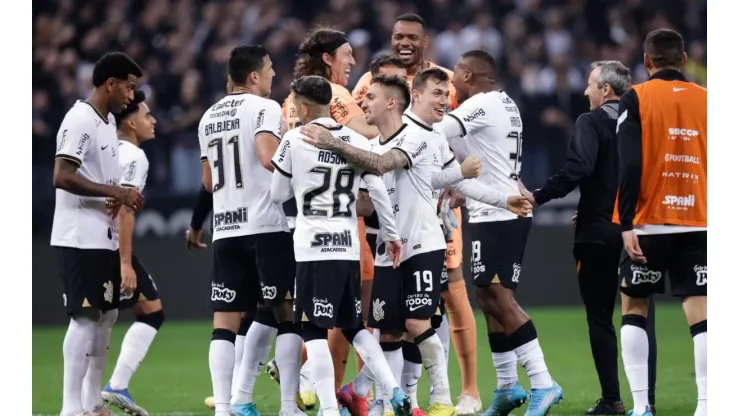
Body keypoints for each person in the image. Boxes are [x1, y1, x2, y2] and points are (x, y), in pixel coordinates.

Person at [301, 74, 531, 416]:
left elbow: (387, 167)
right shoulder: (374, 146)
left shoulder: (416, 137)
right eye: (437, 93)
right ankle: (384, 402)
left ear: (392, 102)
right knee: (388, 331)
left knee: (417, 324)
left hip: (423, 245)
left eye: (371, 98)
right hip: (386, 250)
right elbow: (425, 184)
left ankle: (441, 399)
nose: (363, 103)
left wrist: (502, 200)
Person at [353, 15, 481, 416]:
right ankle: (391, 400)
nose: (404, 43)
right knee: (388, 325)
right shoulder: (373, 100)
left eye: (411, 37)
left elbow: (448, 152)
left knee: (432, 311)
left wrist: (467, 183)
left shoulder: (430, 112)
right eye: (397, 37)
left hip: (427, 234)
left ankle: (450, 394)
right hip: (389, 240)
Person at [518, 60, 658, 415]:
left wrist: (538, 196)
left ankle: (612, 400)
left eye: (591, 85)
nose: (585, 92)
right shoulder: (645, 123)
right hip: (639, 233)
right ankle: (646, 402)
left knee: (600, 317)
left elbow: (578, 169)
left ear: (606, 90)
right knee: (640, 316)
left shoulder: (590, 121)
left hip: (597, 234)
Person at [271, 74, 412, 416]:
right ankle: (393, 388)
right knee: (352, 326)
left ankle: (330, 409)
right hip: (348, 245)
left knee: (312, 328)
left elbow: (277, 194)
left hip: (312, 247)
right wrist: (391, 234)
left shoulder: (293, 140)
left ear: (303, 107)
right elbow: (377, 191)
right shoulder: (353, 140)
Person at [435, 50, 563, 416]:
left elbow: (439, 130)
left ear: (470, 75)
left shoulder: (483, 103)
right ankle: (507, 386)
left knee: (499, 300)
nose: (450, 82)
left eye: (455, 74)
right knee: (490, 300)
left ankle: (543, 383)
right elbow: (487, 157)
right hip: (495, 210)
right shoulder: (504, 103)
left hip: (500, 214)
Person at [274, 27, 379, 396]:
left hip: (300, 219)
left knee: (308, 311)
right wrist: (390, 107)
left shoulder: (291, 99)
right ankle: (328, 387)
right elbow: (366, 133)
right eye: (347, 54)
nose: (352, 61)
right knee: (353, 315)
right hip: (342, 221)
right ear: (327, 59)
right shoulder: (334, 94)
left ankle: (304, 378)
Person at [198, 45, 301, 416]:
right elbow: (266, 156)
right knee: (286, 313)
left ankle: (224, 409)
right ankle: (289, 406)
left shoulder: (208, 117)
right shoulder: (266, 108)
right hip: (266, 226)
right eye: (271, 69)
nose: (274, 76)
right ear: (254, 75)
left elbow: (208, 182)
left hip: (226, 230)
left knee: (224, 323)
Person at [614, 28, 706, 416]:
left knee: (635, 306)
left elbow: (630, 163)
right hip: (700, 220)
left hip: (649, 222)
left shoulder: (635, 97)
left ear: (647, 62)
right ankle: (706, 405)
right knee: (702, 311)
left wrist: (627, 222)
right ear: (683, 60)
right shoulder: (710, 100)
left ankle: (640, 406)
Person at [51, 51, 144, 416]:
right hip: (78, 236)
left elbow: (99, 178)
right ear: (111, 83)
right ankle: (70, 408)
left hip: (101, 234)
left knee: (107, 317)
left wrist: (120, 193)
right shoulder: (79, 119)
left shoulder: (105, 122)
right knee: (86, 318)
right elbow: (61, 175)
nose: (132, 96)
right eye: (130, 87)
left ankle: (92, 403)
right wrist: (114, 192)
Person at [97, 90, 161, 416]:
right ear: (132, 122)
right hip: (108, 246)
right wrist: (125, 263)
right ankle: (103, 392)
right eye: (148, 115)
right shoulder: (135, 157)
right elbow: (125, 209)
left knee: (105, 318)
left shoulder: (108, 150)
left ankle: (106, 391)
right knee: (146, 312)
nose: (153, 121)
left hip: (91, 242)